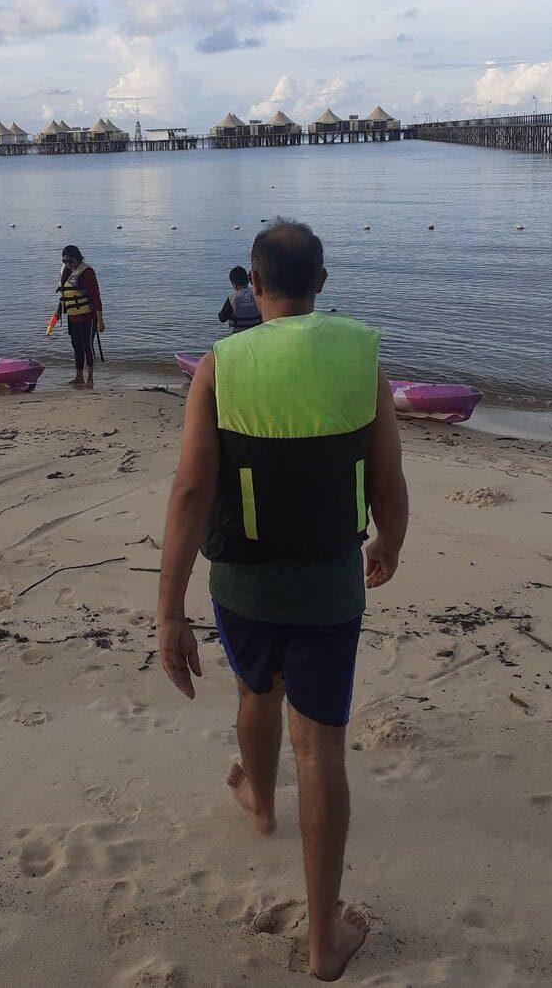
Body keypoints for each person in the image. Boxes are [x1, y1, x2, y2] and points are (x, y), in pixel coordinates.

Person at [157, 220, 409, 982]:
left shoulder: (217, 366)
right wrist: (388, 543)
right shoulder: (361, 358)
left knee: (253, 689)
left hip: (242, 586)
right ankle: (323, 943)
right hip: (330, 587)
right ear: (322, 284)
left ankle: (262, 804)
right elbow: (389, 481)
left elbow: (192, 491)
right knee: (322, 747)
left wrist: (169, 608)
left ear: (254, 288)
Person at [53, 245, 104, 387]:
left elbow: (96, 296)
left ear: (78, 258)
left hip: (88, 317)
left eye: (70, 261)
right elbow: (64, 294)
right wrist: (57, 312)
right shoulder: (66, 272)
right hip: (72, 317)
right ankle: (78, 376)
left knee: (88, 346)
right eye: (64, 261)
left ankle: (90, 378)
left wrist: (100, 320)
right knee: (76, 346)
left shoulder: (87, 272)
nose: (68, 264)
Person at [217, 266, 262, 332]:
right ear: (247, 281)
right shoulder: (257, 294)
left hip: (238, 335)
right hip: (256, 333)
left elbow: (222, 318)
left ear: (234, 284)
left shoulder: (232, 298)